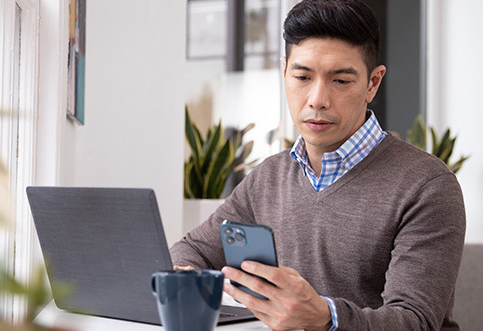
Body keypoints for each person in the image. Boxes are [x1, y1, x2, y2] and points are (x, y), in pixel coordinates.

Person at [170, 0, 466, 330]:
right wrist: (185, 279)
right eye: (302, 76)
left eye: (340, 81)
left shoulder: (427, 185)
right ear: (284, 72)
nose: (317, 99)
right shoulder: (269, 176)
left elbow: (415, 321)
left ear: (372, 83)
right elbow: (192, 250)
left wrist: (325, 317)